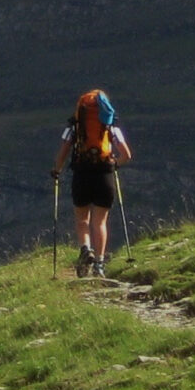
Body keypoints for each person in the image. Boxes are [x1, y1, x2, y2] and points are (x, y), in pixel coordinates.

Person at [53, 88, 132, 276]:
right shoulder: (111, 127)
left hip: (82, 174)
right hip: (104, 175)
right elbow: (127, 155)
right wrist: (114, 163)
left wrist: (57, 170)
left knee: (82, 218)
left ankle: (85, 249)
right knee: (100, 221)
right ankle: (100, 263)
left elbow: (64, 148)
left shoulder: (75, 126)